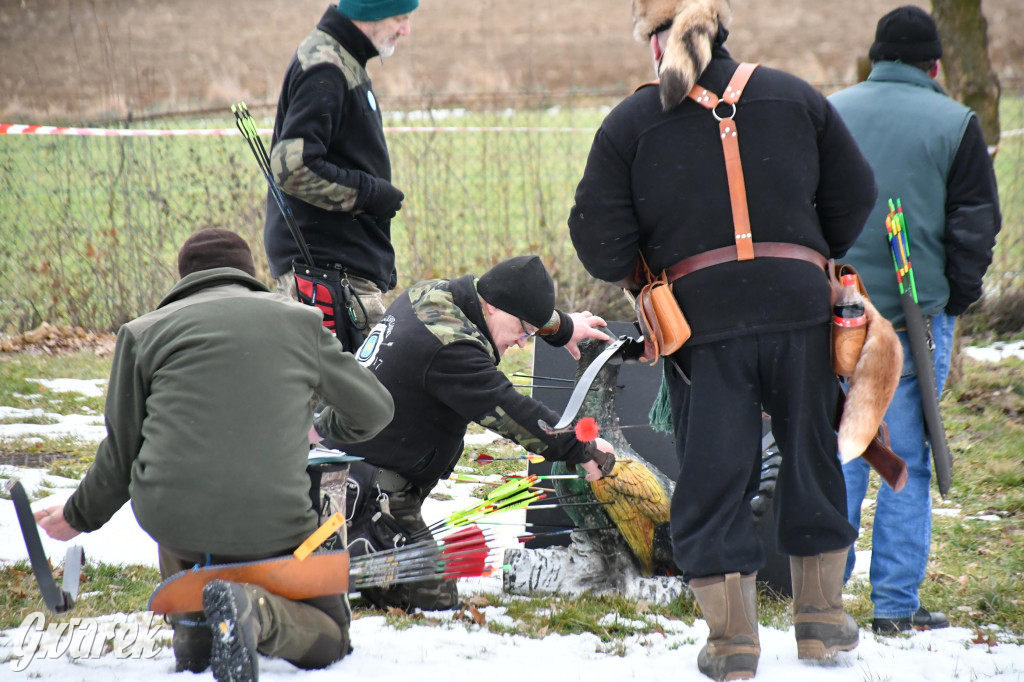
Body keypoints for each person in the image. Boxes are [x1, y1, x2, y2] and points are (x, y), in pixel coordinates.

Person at [566, 0, 878, 678]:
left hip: (700, 325)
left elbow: (598, 240)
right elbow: (856, 194)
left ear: (657, 45)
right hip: (800, 310)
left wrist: (645, 274)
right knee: (811, 460)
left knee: (712, 477)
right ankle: (822, 622)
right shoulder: (795, 95)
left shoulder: (633, 122)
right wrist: (798, 253)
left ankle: (733, 644)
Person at [34, 229, 395, 681]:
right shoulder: (299, 322)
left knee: (175, 487)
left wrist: (78, 515)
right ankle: (256, 613)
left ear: (184, 278)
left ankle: (192, 623)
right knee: (331, 635)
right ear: (248, 274)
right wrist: (319, 427)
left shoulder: (141, 333)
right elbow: (375, 410)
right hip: (274, 522)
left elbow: (121, 455)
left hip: (177, 525)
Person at [829, 5, 1001, 636]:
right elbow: (975, 225)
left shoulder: (832, 111)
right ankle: (896, 607)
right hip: (913, 317)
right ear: (935, 66)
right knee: (905, 454)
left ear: (875, 59)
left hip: (836, 314)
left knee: (842, 446)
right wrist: (954, 297)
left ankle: (823, 594)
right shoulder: (956, 122)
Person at [320, 255, 618, 612]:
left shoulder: (433, 293)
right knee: (434, 600)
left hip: (341, 463)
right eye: (523, 330)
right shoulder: (452, 349)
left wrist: (564, 327)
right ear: (491, 307)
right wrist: (583, 446)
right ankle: (344, 547)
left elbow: (515, 302)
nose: (522, 342)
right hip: (362, 493)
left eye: (530, 332)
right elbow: (512, 412)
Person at [263, 0, 418, 337]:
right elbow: (292, 167)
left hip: (339, 264)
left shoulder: (343, 59)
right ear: (370, 13)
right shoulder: (326, 68)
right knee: (364, 386)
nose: (405, 30)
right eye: (400, 18)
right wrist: (370, 193)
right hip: (326, 269)